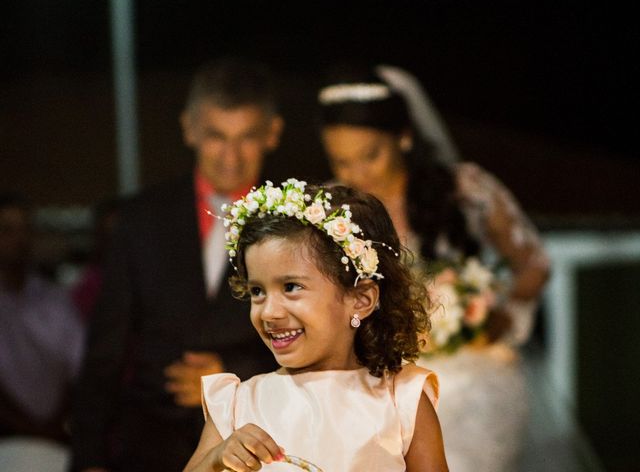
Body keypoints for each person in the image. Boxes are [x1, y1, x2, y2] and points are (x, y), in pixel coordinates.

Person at [316, 64, 550, 472]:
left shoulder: (463, 190)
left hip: (465, 381)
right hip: (371, 379)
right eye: (342, 162)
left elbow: (534, 264)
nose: (357, 173)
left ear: (404, 137)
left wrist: (496, 318)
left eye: (370, 155)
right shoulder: (330, 207)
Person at [70, 57, 284, 472]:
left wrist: (231, 374)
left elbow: (321, 335)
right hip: (150, 442)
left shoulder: (293, 219)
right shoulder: (141, 218)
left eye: (247, 138)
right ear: (190, 129)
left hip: (261, 441)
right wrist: (89, 458)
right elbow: (104, 352)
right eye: (216, 137)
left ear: (272, 134)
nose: (231, 156)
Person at [183, 179, 448, 472]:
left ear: (360, 300)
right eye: (257, 291)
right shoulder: (235, 404)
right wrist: (217, 459)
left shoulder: (402, 401)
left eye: (291, 287)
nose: (269, 312)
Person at [0, 192, 84, 467]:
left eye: (25, 229)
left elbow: (80, 367)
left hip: (55, 441)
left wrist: (55, 424)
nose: (18, 240)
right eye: (7, 230)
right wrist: (24, 425)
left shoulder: (54, 298)